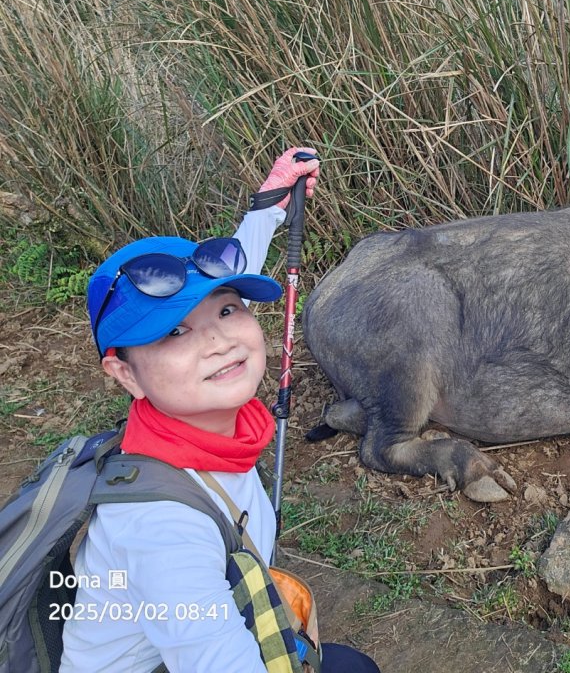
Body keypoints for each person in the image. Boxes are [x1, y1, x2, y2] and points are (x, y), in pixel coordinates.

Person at [60, 147, 379, 673]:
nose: (219, 340)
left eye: (228, 309)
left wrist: (270, 205)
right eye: (173, 331)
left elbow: (232, 280)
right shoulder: (160, 529)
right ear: (125, 375)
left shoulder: (198, 432)